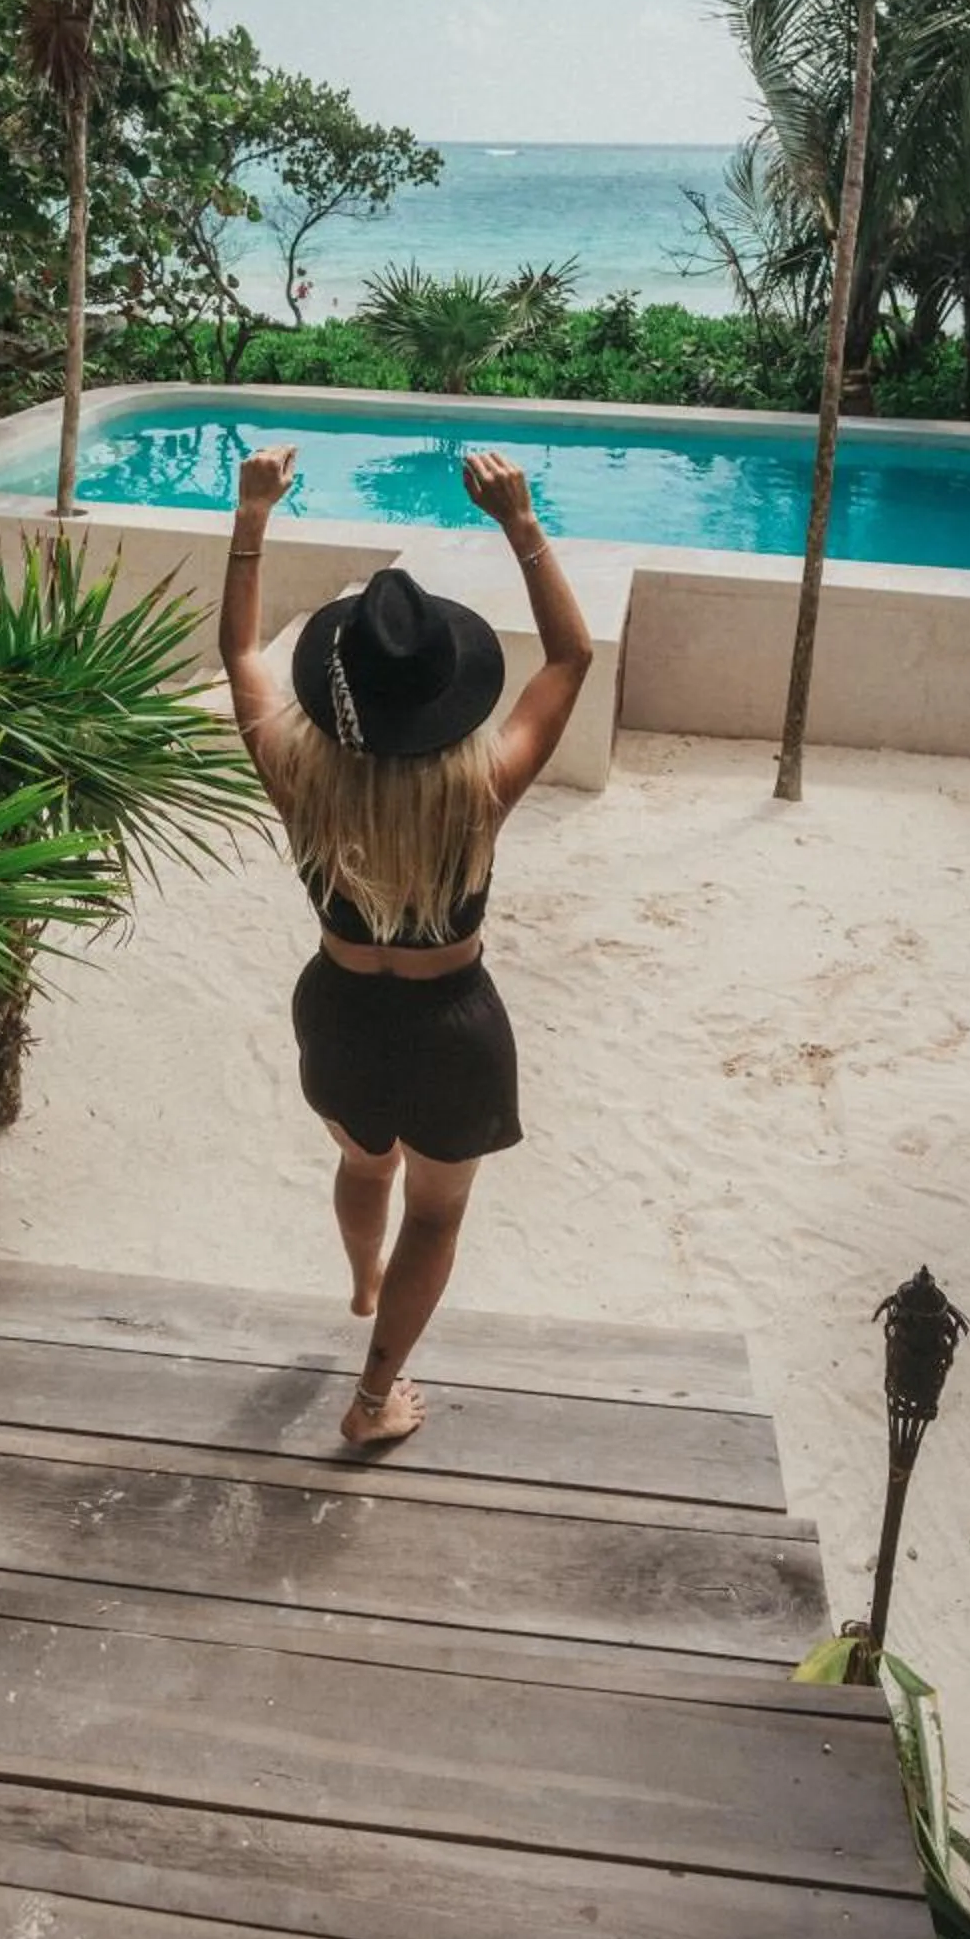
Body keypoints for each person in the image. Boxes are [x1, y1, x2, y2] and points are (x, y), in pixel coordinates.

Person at [220, 447, 593, 1447]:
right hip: (452, 1030)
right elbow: (569, 659)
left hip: (337, 1011)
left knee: (363, 1160)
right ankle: (374, 1399)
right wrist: (521, 523)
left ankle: (360, 1286)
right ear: (446, 697)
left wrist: (251, 517)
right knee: (435, 1214)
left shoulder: (302, 781)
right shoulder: (479, 791)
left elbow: (240, 657)